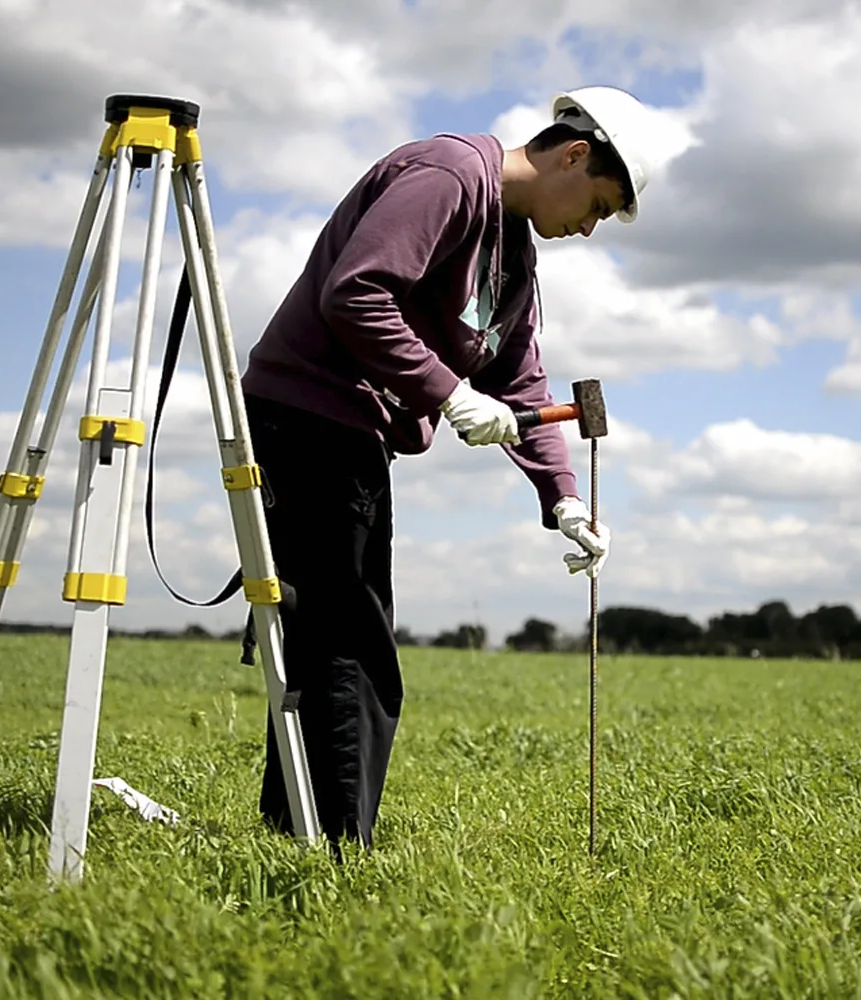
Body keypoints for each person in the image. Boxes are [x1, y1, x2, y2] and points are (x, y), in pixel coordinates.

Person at [239, 86, 660, 853]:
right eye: (597, 204)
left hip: (349, 432)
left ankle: (292, 826)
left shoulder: (515, 251)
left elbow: (523, 381)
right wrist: (449, 394)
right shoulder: (448, 177)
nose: (590, 229)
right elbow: (356, 293)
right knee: (350, 640)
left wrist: (563, 499)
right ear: (573, 155)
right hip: (305, 414)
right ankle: (337, 848)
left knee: (328, 628)